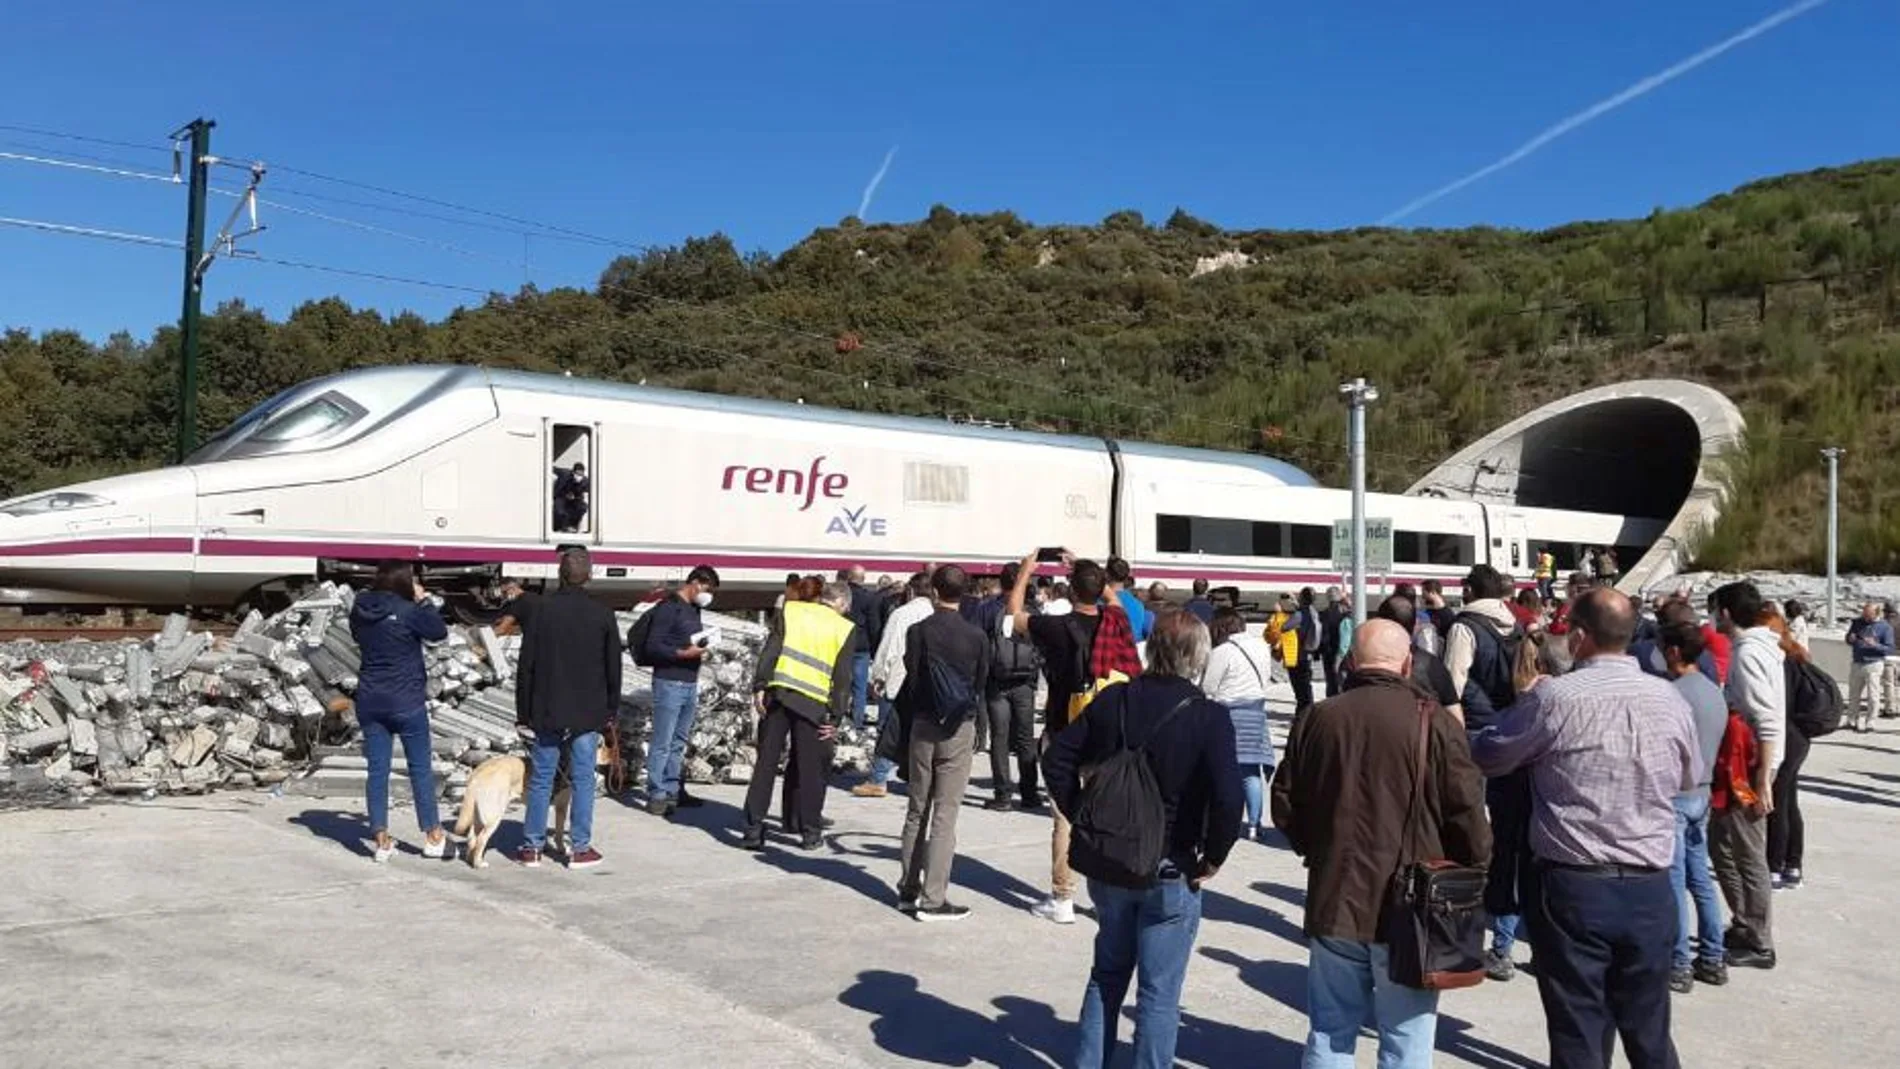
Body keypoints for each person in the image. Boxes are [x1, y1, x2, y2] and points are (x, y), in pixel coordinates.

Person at [1472, 589, 1701, 1069]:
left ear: (1578, 637)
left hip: (1573, 883)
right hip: (1651, 884)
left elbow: (1491, 754)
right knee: (1649, 1025)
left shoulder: (1556, 698)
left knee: (1579, 1026)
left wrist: (1520, 712)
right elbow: (1688, 776)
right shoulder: (1670, 698)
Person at [1274, 619, 1490, 1069]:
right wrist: (1473, 871)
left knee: (1330, 1031)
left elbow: (1286, 803)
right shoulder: (1434, 722)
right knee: (1406, 1037)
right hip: (1412, 907)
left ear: (1351, 661)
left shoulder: (1319, 717)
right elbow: (1466, 810)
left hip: (1336, 894)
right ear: (1408, 662)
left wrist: (1317, 846)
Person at [1043, 610, 1243, 1069]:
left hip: (1111, 859)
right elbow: (1230, 798)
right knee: (1158, 992)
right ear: (1199, 657)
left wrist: (1081, 813)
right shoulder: (1208, 716)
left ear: (1151, 650)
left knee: (1107, 975)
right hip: (1171, 863)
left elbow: (1057, 759)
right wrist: (1213, 857)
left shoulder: (1115, 699)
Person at [1006, 550, 1142, 925]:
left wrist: (1025, 573)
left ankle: (1063, 897)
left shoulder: (1056, 627)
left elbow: (1012, 614)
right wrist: (1087, 566)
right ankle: (1105, 895)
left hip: (1064, 728)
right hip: (1108, 730)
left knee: (1065, 815)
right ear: (1102, 588)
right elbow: (1112, 600)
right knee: (1104, 815)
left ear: (1069, 589)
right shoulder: (1115, 622)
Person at [513, 547, 621, 870]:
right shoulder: (602, 614)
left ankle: (531, 847)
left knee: (542, 777)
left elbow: (526, 665)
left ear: (560, 573)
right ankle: (580, 848)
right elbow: (612, 667)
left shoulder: (542, 611)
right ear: (589, 575)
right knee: (583, 778)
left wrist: (524, 710)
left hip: (547, 708)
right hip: (587, 711)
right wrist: (610, 710)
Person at [1444, 564, 1527, 979]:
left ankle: (1460, 931)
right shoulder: (1519, 626)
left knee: (1467, 829)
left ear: (1472, 589)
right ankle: (1504, 944)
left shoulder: (1465, 627)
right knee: (1508, 838)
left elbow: (1451, 686)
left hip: (1475, 733)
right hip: (1513, 733)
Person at [893, 565, 990, 921]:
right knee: (945, 814)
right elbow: (980, 681)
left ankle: (908, 889)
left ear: (934, 591)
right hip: (958, 726)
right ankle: (934, 898)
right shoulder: (976, 635)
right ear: (963, 593)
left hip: (923, 723)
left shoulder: (918, 631)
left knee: (917, 808)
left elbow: (913, 676)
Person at [741, 581, 859, 851]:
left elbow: (771, 651)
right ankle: (810, 832)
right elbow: (842, 678)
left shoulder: (791, 611)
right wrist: (836, 717)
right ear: (841, 604)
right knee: (811, 771)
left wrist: (760, 686)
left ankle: (753, 829)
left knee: (766, 765)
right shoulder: (844, 628)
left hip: (779, 697)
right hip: (813, 705)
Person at [349, 561, 452, 863]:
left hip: (370, 699)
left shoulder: (360, 609)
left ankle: (381, 840)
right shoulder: (408, 611)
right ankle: (433, 835)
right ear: (405, 582)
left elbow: (357, 637)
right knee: (419, 768)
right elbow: (438, 632)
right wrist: (424, 600)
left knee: (377, 771)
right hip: (406, 700)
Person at [1708, 580, 1784, 970]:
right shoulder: (1757, 648)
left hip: (1748, 771)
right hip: (1741, 768)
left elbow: (1766, 721)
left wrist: (1763, 780)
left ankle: (1760, 940)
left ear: (1725, 613)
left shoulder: (1749, 653)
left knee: (1749, 855)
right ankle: (1744, 922)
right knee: (1720, 846)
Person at [1658, 619, 1730, 994]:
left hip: (1676, 794)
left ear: (1672, 652)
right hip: (1702, 794)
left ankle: (1679, 960)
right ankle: (1713, 956)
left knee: (1674, 882)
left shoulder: (1674, 694)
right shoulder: (1712, 690)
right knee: (1700, 878)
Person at [639, 565, 722, 817]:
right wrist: (682, 654)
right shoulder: (668, 608)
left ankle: (673, 788)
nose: (708, 595)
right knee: (663, 741)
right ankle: (656, 793)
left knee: (679, 741)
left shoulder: (693, 609)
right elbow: (654, 646)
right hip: (669, 682)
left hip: (689, 682)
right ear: (696, 582)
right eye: (708, 589)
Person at [856, 572, 933, 799]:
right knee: (918, 733)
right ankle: (916, 780)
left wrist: (878, 677)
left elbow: (889, 647)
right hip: (926, 683)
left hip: (898, 679)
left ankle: (878, 779)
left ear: (911, 590)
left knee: (889, 730)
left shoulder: (902, 614)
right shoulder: (934, 613)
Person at [1201, 608, 1275, 841]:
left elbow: (1209, 687)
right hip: (1256, 712)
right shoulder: (1261, 646)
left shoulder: (1222, 651)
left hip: (1229, 714)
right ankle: (1255, 824)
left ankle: (1223, 819)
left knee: (1222, 769)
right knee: (1251, 771)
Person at [982, 561, 1043, 811]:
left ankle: (1003, 795)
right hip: (1025, 683)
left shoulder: (988, 609)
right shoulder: (1033, 611)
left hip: (996, 682)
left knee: (999, 738)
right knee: (1025, 739)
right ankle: (1029, 794)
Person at [1762, 607, 1812, 890]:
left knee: (1778, 803)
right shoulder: (1798, 656)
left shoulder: (1780, 662)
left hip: (1785, 735)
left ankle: (1775, 866)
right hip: (1800, 737)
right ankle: (1793, 865)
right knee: (1790, 801)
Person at [1375, 594, 1460, 717]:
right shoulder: (1432, 665)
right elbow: (1455, 716)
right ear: (1415, 626)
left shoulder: (1358, 660)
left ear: (1377, 622)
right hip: (1420, 733)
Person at [840, 566, 887, 732]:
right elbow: (873, 625)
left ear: (849, 577)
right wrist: (875, 648)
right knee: (860, 687)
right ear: (863, 579)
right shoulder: (870, 598)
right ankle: (857, 722)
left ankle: (838, 718)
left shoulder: (842, 596)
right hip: (862, 646)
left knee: (840, 683)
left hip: (842, 644)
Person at [1846, 601, 1895, 730]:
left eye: (1868, 615)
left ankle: (1870, 722)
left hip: (1874, 663)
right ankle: (1851, 720)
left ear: (1876, 614)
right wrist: (1849, 639)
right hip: (1857, 662)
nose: (1865, 617)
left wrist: (1875, 645)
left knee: (1873, 695)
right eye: (1864, 613)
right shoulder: (1857, 623)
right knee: (1853, 694)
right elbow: (1849, 638)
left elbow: (1889, 649)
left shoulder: (1885, 627)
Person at [1105, 557, 1153, 643]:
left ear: (1107, 574)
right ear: (1127, 576)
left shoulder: (1099, 602)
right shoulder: (1138, 604)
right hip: (1131, 651)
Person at [1288, 587, 1319, 711]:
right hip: (1308, 654)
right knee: (1306, 685)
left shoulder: (1299, 615)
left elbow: (1284, 627)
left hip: (1297, 654)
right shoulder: (1313, 612)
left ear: (1302, 598)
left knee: (1300, 688)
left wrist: (1280, 613)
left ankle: (1303, 714)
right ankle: (1307, 711)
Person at [1317, 588, 1348, 699]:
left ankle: (1331, 702)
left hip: (1328, 651)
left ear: (1327, 597)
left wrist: (1318, 651)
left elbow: (1320, 634)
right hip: (1343, 651)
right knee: (1343, 679)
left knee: (1330, 680)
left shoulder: (1324, 614)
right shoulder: (1345, 613)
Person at [551, 462, 589, 532]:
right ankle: (561, 527)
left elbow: (588, 491)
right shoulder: (565, 473)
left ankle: (574, 526)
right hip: (561, 496)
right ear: (573, 472)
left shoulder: (585, 481)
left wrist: (575, 497)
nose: (579, 477)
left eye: (581, 475)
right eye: (577, 474)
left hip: (574, 499)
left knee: (583, 507)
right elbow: (552, 469)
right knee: (559, 510)